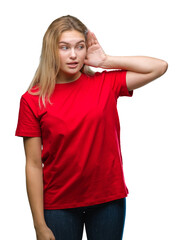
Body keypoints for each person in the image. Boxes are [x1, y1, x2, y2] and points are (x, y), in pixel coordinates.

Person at [15, 15, 168, 240]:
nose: (74, 54)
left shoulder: (105, 83)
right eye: (64, 47)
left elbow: (159, 67)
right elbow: (33, 165)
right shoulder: (32, 99)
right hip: (59, 204)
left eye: (80, 46)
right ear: (51, 50)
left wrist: (106, 61)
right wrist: (39, 224)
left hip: (108, 201)